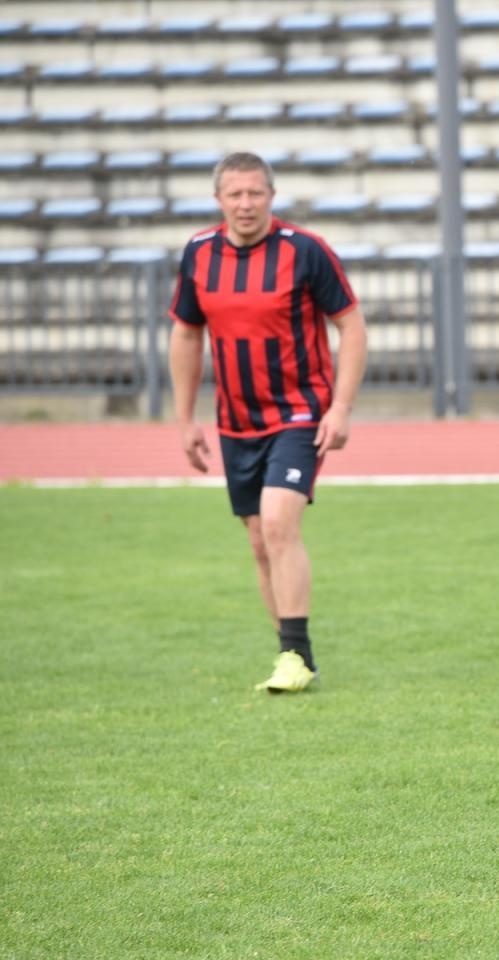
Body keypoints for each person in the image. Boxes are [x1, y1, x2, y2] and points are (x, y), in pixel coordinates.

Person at [169, 151, 368, 693]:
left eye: (255, 192)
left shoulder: (305, 251)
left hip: (300, 413)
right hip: (236, 422)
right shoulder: (199, 254)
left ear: (272, 197)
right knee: (259, 541)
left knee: (280, 523)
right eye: (235, 194)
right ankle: (292, 652)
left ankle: (294, 656)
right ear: (219, 201)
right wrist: (185, 418)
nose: (246, 203)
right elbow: (186, 333)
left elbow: (350, 325)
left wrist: (342, 406)